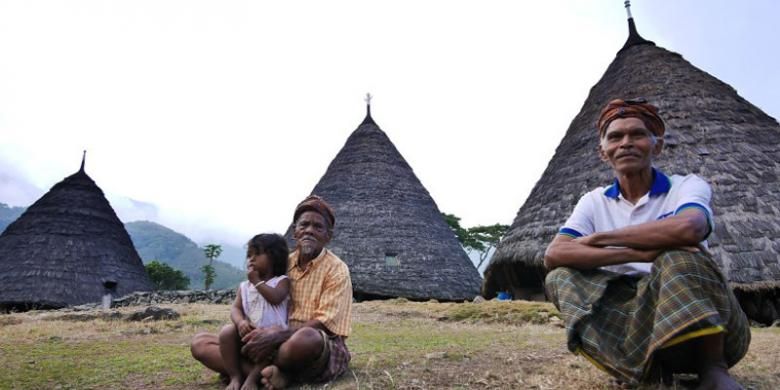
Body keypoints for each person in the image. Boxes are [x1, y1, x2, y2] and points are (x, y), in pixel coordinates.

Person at [544, 98, 750, 389]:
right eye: (615, 137)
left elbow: (689, 227)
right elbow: (556, 253)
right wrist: (636, 251)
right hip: (635, 323)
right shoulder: (593, 201)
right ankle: (639, 372)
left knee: (676, 257)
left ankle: (713, 369)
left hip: (713, 324)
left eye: (637, 134)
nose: (626, 143)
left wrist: (602, 239)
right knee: (559, 277)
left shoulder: (686, 185)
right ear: (603, 152)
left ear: (657, 146)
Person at [191, 195, 353, 390]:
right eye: (304, 225)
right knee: (200, 343)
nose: (309, 230)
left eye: (318, 227)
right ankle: (270, 374)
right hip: (267, 338)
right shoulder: (281, 263)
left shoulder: (337, 269)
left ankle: (270, 374)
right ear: (295, 232)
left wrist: (278, 336)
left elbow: (324, 323)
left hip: (307, 344)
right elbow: (255, 295)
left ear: (328, 236)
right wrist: (252, 329)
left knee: (307, 338)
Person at [221, 233, 291, 390]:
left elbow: (276, 298)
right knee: (226, 332)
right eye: (249, 255)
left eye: (257, 254)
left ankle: (252, 380)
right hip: (249, 334)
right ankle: (235, 376)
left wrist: (257, 281)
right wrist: (240, 322)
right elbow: (236, 308)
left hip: (272, 339)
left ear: (274, 257)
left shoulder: (281, 281)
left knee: (268, 348)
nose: (251, 259)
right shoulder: (244, 287)